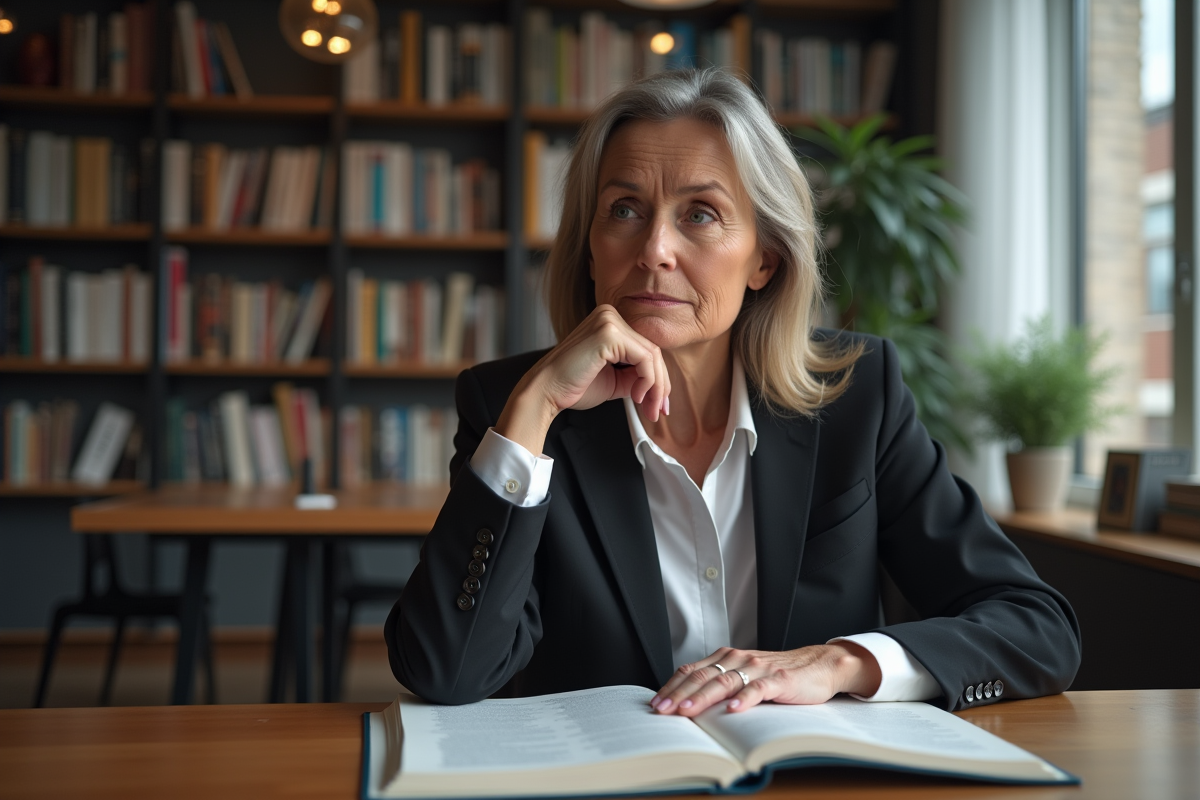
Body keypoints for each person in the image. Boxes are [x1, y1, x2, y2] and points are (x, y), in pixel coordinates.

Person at [385, 68, 1080, 716]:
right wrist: (533, 415)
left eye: (701, 214)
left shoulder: (858, 398)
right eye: (625, 209)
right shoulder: (513, 408)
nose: (655, 247)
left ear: (765, 260)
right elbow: (447, 671)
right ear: (591, 247)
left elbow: (1034, 627)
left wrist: (840, 663)